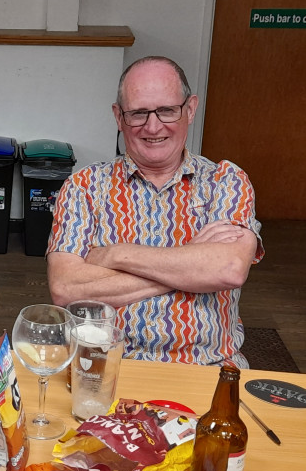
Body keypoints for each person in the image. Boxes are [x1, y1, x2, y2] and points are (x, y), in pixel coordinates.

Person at [47, 56, 263, 368]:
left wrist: (116, 255)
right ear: (118, 117)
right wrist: (191, 264)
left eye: (166, 110)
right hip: (102, 366)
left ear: (189, 110)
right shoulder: (84, 186)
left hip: (207, 366)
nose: (153, 126)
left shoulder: (226, 181)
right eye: (138, 113)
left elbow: (227, 269)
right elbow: (66, 289)